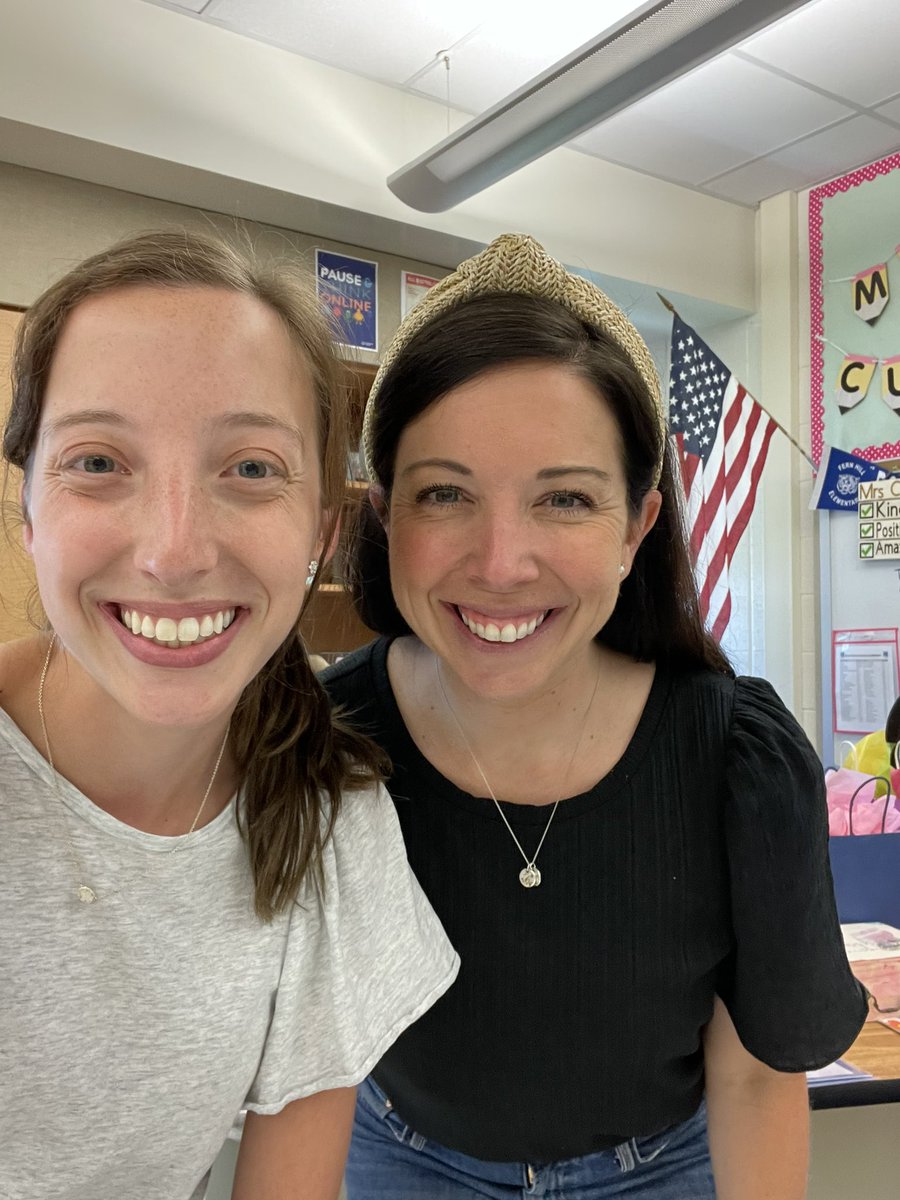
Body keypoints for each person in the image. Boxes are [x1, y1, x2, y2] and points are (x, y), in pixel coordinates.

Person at [323, 233, 868, 1199]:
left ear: (636, 527)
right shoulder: (326, 739)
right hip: (399, 1156)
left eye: (565, 499)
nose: (501, 563)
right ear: (384, 513)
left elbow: (751, 1075)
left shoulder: (732, 754)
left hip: (659, 1170)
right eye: (445, 492)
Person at [0, 230, 458, 1200]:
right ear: (29, 510)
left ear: (323, 533)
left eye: (250, 469)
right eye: (96, 460)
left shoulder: (332, 821)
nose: (174, 551)